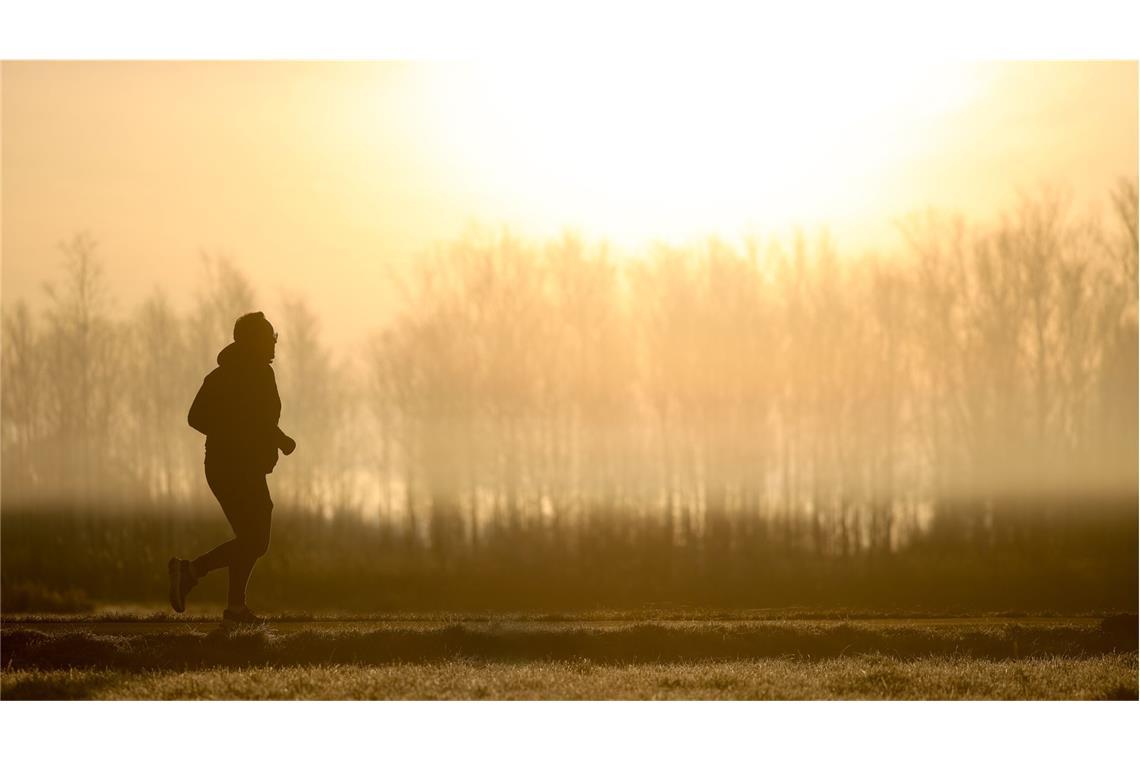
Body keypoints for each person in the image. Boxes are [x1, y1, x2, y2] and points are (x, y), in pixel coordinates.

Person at [169, 311, 296, 625]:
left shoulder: (254, 374)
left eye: (274, 337)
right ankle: (193, 572)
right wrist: (238, 434)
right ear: (252, 342)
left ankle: (233, 607)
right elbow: (198, 418)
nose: (274, 344)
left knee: (250, 539)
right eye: (268, 338)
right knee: (255, 540)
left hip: (241, 467)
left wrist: (278, 439)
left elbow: (257, 420)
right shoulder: (230, 376)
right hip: (232, 467)